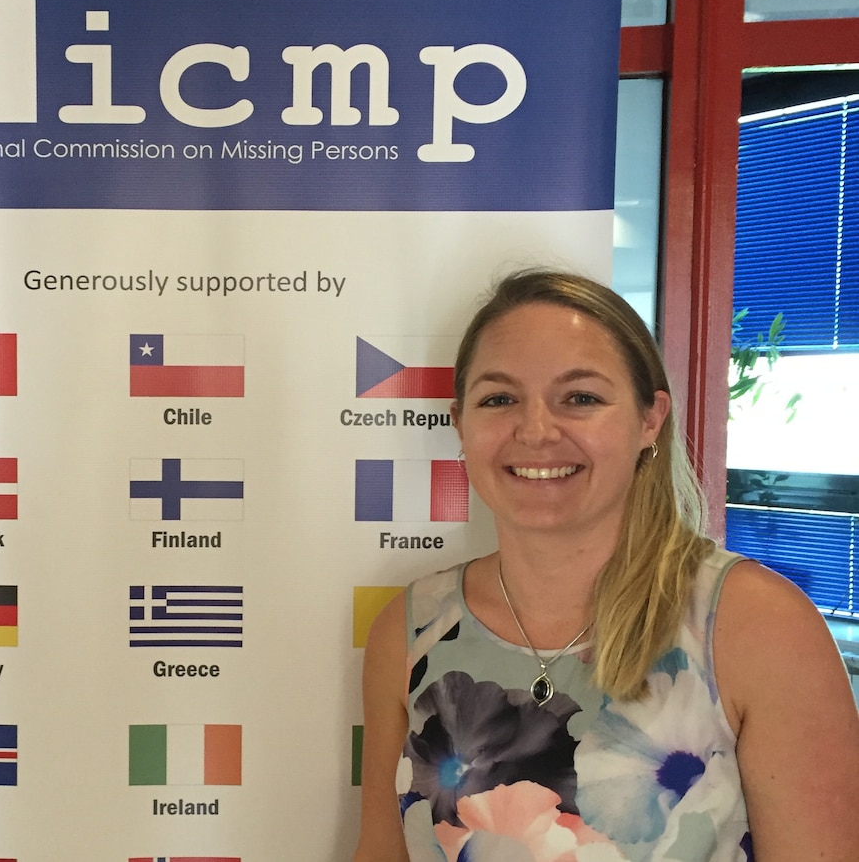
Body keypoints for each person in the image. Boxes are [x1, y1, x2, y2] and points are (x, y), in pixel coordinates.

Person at [353, 269, 859, 862]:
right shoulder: (411, 630)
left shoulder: (758, 626)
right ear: (461, 423)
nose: (536, 430)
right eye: (498, 399)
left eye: (581, 398)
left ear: (650, 419)